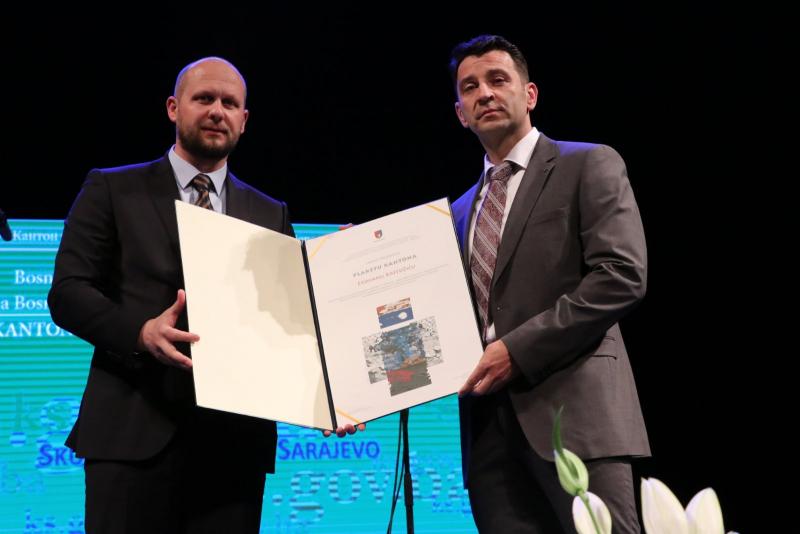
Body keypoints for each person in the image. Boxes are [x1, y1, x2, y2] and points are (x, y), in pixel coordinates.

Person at [48, 57, 359, 534]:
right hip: (131, 437)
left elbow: (291, 322)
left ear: (244, 120)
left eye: (230, 103)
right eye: (204, 98)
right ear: (174, 108)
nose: (217, 111)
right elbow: (68, 292)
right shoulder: (112, 188)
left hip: (233, 450)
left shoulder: (269, 211)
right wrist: (139, 333)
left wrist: (329, 395)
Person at [450, 35, 650, 533]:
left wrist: (516, 350)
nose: (485, 93)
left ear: (530, 94)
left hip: (577, 416)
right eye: (470, 87)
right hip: (488, 438)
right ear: (460, 114)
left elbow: (621, 275)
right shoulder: (455, 214)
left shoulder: (588, 163)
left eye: (498, 80)